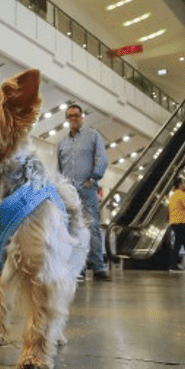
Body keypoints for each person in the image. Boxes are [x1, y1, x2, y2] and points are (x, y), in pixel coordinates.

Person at [57, 104, 110, 282]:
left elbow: (102, 158)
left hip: (86, 189)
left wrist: (93, 179)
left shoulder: (92, 136)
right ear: (67, 119)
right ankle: (77, 268)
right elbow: (59, 168)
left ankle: (99, 268)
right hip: (68, 193)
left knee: (92, 226)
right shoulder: (62, 143)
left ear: (82, 117)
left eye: (77, 115)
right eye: (70, 116)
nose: (74, 119)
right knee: (71, 230)